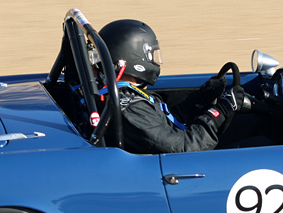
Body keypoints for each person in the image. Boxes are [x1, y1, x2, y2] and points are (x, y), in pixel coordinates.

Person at [98, 19, 246, 154]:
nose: (156, 61)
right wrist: (219, 112)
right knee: (260, 141)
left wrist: (200, 98)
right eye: (151, 55)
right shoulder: (131, 109)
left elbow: (166, 123)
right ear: (132, 58)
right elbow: (184, 147)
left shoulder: (126, 96)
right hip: (179, 166)